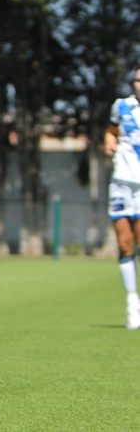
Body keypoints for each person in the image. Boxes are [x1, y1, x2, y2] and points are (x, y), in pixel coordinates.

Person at [104, 66, 140, 330]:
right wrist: (108, 141)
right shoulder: (121, 106)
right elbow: (111, 130)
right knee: (125, 243)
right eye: (138, 80)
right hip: (120, 183)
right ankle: (132, 304)